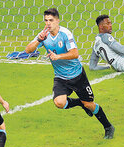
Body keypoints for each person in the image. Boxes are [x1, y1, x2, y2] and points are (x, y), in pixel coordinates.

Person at [25, 8, 115, 139]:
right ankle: (79, 103)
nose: (48, 23)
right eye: (46, 20)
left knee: (89, 104)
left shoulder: (65, 34)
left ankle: (108, 127)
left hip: (77, 76)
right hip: (61, 77)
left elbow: (75, 53)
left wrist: (58, 57)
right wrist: (39, 40)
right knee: (59, 103)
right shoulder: (43, 35)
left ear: (57, 21)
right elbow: (28, 50)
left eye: (51, 20)